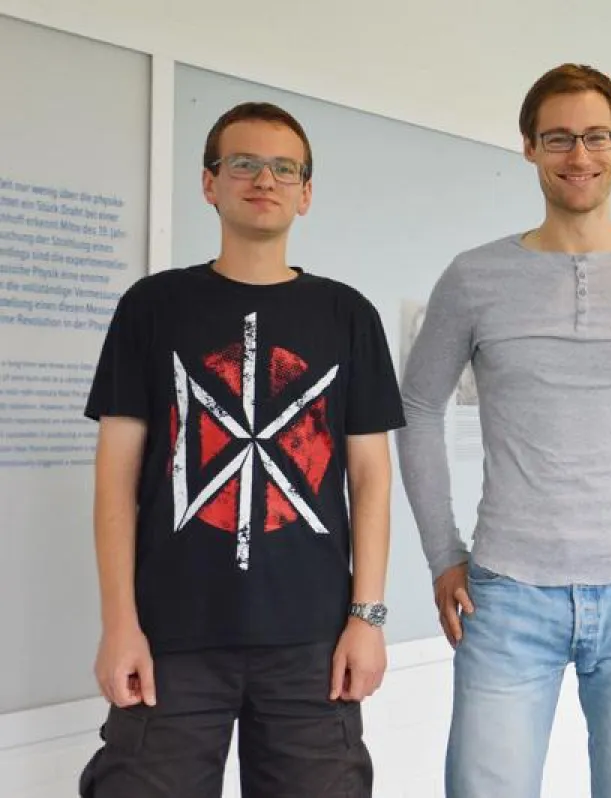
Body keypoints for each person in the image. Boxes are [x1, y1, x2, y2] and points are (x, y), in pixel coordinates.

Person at [395, 63, 611, 798]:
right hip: (506, 595)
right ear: (528, 147)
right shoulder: (474, 277)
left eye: (594, 137)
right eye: (558, 139)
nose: (578, 155)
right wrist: (442, 554)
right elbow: (416, 407)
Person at [78, 101, 405, 798]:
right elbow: (115, 482)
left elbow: (371, 479)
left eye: (285, 167)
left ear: (306, 193)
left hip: (313, 642)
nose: (265, 178)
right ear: (210, 184)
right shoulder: (153, 306)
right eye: (244, 163)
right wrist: (119, 625)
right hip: (171, 636)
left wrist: (367, 618)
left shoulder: (348, 315)